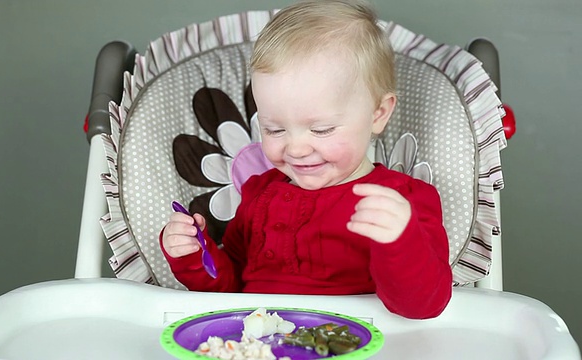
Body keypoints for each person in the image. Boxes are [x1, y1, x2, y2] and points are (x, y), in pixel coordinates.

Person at [160, 0, 452, 319]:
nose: (296, 148)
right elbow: (228, 289)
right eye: (274, 129)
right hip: (260, 344)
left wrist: (401, 239)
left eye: (321, 129)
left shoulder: (402, 201)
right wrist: (194, 254)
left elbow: (424, 306)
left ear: (378, 114)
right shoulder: (259, 193)